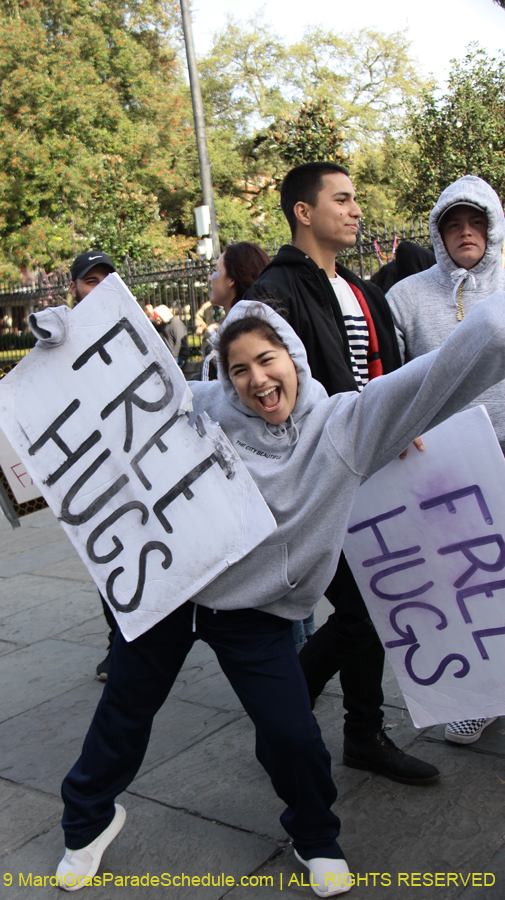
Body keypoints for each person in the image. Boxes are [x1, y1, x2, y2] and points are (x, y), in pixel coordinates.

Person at [56, 288, 505, 894]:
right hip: (172, 595)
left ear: (293, 355)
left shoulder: (345, 424)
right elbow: (96, 412)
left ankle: (315, 836)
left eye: (267, 360)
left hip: (257, 611)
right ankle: (87, 823)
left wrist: (482, 334)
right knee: (122, 715)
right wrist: (60, 347)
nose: (257, 380)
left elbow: (442, 372)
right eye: (238, 368)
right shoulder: (198, 407)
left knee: (292, 733)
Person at [245, 161, 436, 784]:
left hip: (375, 471)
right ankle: (284, 713)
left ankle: (363, 734)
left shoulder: (359, 288)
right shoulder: (274, 292)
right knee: (362, 611)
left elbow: (387, 374)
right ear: (304, 211)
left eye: (356, 200)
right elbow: (264, 387)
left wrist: (400, 423)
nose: (356, 210)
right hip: (318, 478)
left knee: (375, 604)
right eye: (343, 199)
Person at [387, 174, 505, 747]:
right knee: (462, 585)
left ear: (492, 228)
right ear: (437, 232)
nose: (465, 233)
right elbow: (385, 379)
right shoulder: (406, 297)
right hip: (444, 471)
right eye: (453, 224)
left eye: (475, 222)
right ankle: (476, 700)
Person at [0, 249, 119, 682]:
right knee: (108, 557)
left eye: (107, 278)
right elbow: (30, 406)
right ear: (74, 287)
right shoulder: (53, 341)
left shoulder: (137, 331)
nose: (99, 287)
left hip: (135, 461)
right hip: (88, 470)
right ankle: (119, 643)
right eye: (90, 280)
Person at [201, 241, 271, 380]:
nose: (210, 277)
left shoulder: (247, 329)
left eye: (216, 270)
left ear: (231, 280)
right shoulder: (258, 318)